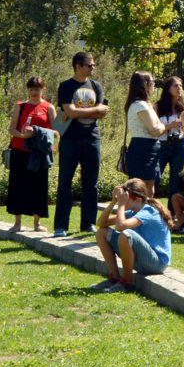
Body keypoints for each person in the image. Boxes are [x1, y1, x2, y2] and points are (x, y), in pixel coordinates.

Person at [54, 51, 110, 237]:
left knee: (91, 184)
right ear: (78, 66)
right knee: (65, 183)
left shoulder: (96, 86)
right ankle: (61, 226)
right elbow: (70, 112)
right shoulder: (66, 86)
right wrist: (91, 111)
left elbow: (102, 113)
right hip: (70, 140)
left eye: (93, 65)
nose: (93, 68)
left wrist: (80, 111)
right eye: (89, 65)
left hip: (92, 139)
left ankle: (88, 223)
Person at [91, 178, 174, 293]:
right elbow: (101, 223)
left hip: (157, 264)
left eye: (125, 197)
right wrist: (113, 202)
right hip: (144, 259)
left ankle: (127, 283)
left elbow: (121, 226)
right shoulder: (132, 212)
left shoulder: (149, 212)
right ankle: (114, 279)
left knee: (126, 235)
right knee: (101, 233)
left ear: (137, 199)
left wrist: (120, 204)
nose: (123, 200)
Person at [7, 76, 57, 232]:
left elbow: (56, 132)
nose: (34, 92)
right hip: (19, 150)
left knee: (39, 186)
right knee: (17, 185)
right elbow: (12, 128)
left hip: (39, 152)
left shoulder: (49, 107)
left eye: (37, 89)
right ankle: (17, 222)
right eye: (31, 89)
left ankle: (37, 223)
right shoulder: (20, 106)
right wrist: (22, 136)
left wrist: (36, 132)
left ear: (43, 89)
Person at [124, 72, 179, 197]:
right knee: (140, 190)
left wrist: (160, 126)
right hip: (142, 147)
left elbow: (158, 126)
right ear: (146, 84)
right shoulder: (140, 105)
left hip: (152, 146)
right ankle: (136, 214)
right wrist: (163, 126)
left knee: (150, 189)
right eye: (153, 82)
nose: (155, 85)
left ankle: (145, 214)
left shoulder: (147, 104)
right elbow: (154, 129)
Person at [155, 76, 184, 197]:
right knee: (155, 178)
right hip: (162, 145)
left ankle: (173, 212)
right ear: (168, 88)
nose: (179, 88)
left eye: (180, 85)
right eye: (175, 85)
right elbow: (154, 130)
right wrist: (170, 126)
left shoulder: (183, 106)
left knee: (176, 180)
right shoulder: (158, 106)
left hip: (179, 145)